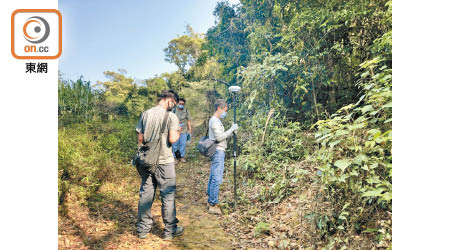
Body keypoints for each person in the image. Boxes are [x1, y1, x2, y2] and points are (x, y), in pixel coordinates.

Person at [135, 90, 184, 240]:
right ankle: (169, 231)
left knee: (146, 194)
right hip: (165, 162)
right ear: (169, 100)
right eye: (174, 104)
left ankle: (143, 230)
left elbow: (140, 138)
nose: (174, 107)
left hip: (147, 161)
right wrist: (179, 132)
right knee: (167, 197)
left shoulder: (146, 113)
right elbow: (172, 139)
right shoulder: (171, 116)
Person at [206, 99, 238, 215]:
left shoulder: (216, 120)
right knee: (216, 177)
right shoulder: (215, 121)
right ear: (219, 108)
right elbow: (219, 138)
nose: (225, 112)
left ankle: (210, 200)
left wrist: (231, 131)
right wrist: (231, 129)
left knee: (213, 175)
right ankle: (213, 204)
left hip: (218, 150)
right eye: (225, 110)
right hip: (218, 151)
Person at [172, 98, 192, 163]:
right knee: (175, 144)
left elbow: (189, 121)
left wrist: (190, 130)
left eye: (182, 104)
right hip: (175, 131)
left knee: (182, 144)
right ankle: (175, 157)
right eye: (180, 103)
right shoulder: (173, 110)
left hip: (184, 130)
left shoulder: (186, 111)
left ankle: (181, 157)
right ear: (177, 103)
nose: (181, 105)